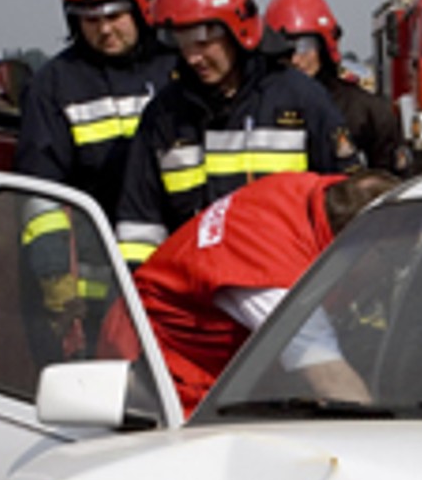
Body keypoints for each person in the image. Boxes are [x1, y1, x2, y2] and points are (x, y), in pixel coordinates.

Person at [115, 0, 357, 271]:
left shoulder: (301, 99)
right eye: (182, 43)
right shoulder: (163, 116)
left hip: (290, 295)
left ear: (237, 29)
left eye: (202, 40)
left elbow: (346, 203)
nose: (192, 57)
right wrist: (141, 302)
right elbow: (139, 227)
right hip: (197, 299)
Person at [107, 169, 400, 413]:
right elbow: (328, 377)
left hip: (219, 365)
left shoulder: (309, 194)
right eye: (392, 260)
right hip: (161, 373)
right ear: (364, 248)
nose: (395, 271)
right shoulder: (267, 277)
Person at [14, 0, 176, 359]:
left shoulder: (174, 70)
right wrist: (53, 278)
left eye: (115, 16)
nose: (104, 30)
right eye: (90, 20)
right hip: (92, 279)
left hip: (173, 263)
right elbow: (40, 191)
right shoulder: (54, 85)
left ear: (141, 8)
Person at [265, 0, 413, 176]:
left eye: (304, 46)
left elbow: (391, 184)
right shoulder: (257, 109)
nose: (295, 59)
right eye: (285, 50)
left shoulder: (368, 112)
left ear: (324, 47)